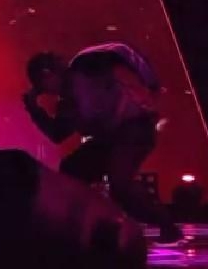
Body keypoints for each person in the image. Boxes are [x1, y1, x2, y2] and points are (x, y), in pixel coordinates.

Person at [58, 43, 183, 244]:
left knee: (120, 183)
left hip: (133, 127)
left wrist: (150, 84)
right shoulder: (69, 98)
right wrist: (35, 109)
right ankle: (89, 223)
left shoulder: (82, 66)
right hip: (115, 133)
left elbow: (120, 51)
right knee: (72, 169)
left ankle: (165, 223)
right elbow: (60, 133)